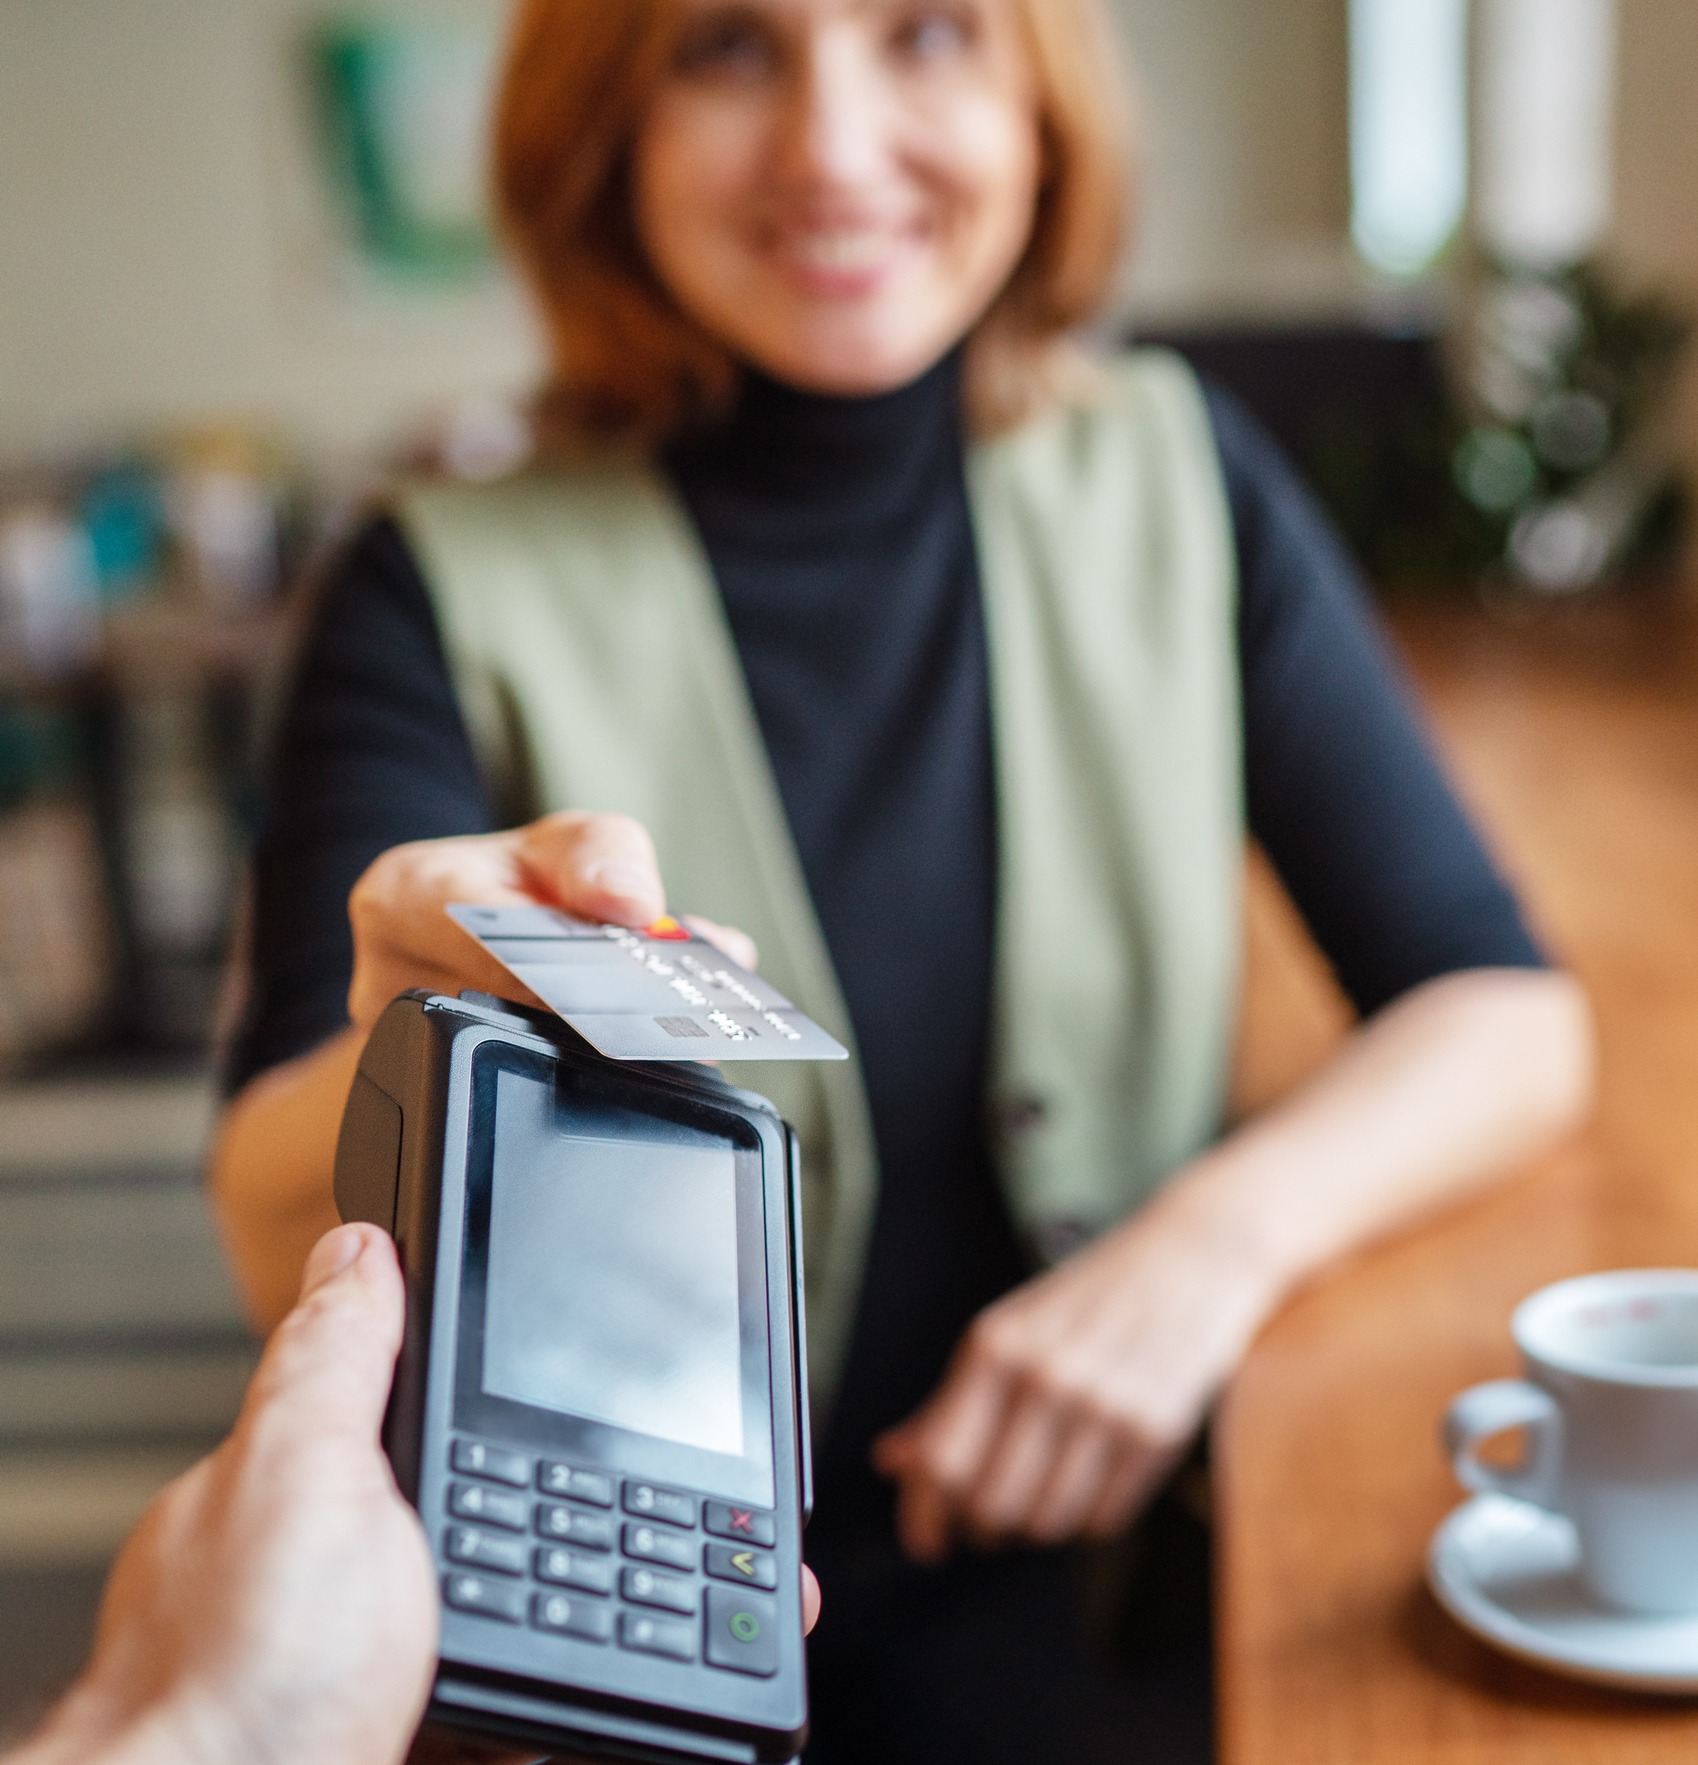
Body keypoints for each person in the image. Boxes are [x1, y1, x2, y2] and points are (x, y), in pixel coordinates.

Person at [210, 0, 1595, 1758]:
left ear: (1039, 108)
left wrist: (1205, 1249)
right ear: (602, 132)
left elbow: (1503, 1009)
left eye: (926, 33)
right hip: (608, 1656)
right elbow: (267, 1214)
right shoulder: (419, 581)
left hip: (1125, 1590)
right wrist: (400, 1042)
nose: (834, 147)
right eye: (725, 48)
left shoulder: (1177, 476)